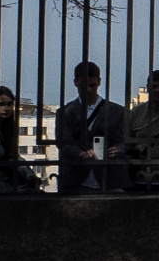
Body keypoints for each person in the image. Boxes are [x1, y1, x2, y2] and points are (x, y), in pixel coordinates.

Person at [54, 61, 126, 193]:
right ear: (75, 83)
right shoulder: (117, 111)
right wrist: (81, 154)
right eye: (84, 86)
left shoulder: (118, 112)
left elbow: (124, 142)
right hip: (77, 180)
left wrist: (117, 150)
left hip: (106, 178)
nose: (88, 89)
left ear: (99, 81)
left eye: (92, 85)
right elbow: (63, 143)